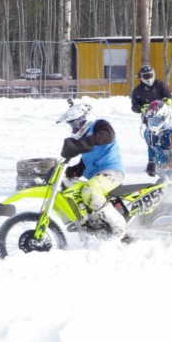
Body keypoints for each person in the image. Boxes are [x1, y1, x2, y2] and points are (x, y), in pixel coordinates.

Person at [57, 101, 128, 239]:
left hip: (112, 172)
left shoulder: (100, 125)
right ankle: (91, 228)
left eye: (75, 124)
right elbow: (84, 164)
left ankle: (119, 227)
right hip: (97, 177)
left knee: (89, 190)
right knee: (72, 192)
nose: (74, 128)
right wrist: (65, 172)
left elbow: (107, 136)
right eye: (71, 125)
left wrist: (83, 143)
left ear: (84, 118)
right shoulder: (85, 138)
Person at [141, 100, 172, 178]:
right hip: (165, 167)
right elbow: (151, 147)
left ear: (164, 118)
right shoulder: (148, 133)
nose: (153, 125)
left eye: (156, 121)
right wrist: (151, 162)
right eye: (151, 121)